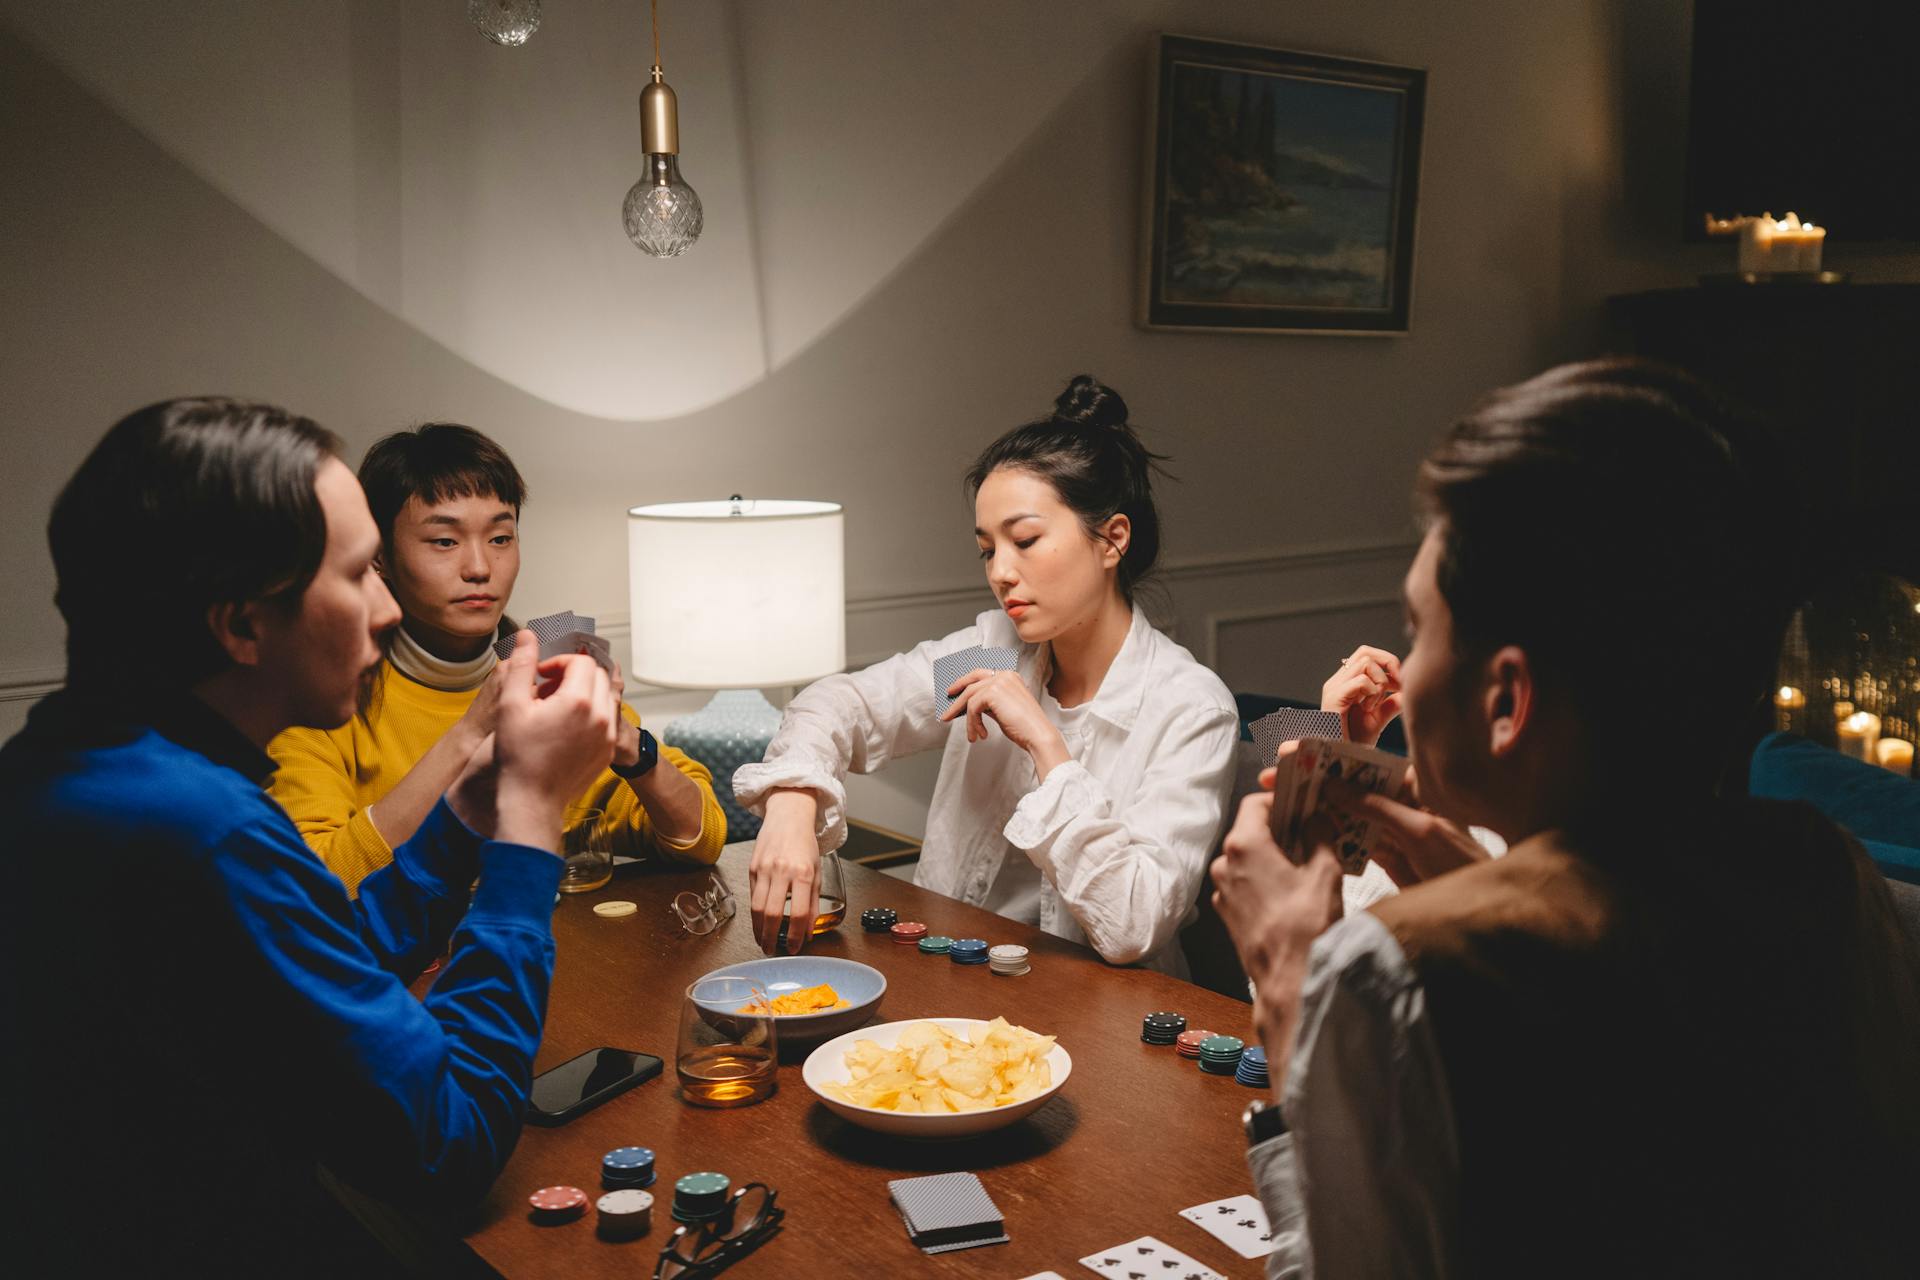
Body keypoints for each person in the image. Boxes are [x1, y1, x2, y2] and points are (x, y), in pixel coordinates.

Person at [1211, 360, 1920, 1278]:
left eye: (1419, 630)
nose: (1407, 665)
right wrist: (1476, 886)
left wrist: (1284, 980)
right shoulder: (1827, 875)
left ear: (1506, 699)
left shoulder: (1392, 968)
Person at [0, 399, 619, 1274]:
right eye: (361, 572)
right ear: (244, 624)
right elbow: (447, 1148)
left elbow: (306, 961)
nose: (386, 609)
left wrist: (469, 815)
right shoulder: (200, 830)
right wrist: (528, 823)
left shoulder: (71, 763)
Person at [736, 376, 1239, 973]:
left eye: (1024, 540)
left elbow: (1133, 926)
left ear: (1112, 540)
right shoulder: (992, 655)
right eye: (987, 549)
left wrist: (1047, 746)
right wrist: (794, 801)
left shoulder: (1189, 708)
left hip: (1108, 1019)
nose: (1000, 572)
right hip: (956, 985)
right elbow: (843, 705)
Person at [268, 422, 724, 894]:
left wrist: (628, 743)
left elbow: (702, 838)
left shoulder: (548, 658)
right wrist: (473, 730)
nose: (480, 568)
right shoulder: (322, 696)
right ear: (378, 555)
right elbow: (316, 888)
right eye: (444, 541)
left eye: (500, 538)